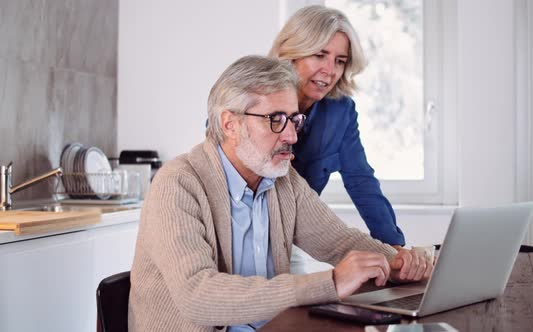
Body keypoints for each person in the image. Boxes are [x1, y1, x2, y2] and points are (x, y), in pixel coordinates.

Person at [128, 55, 433, 332]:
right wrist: (329, 283)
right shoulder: (177, 184)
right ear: (230, 124)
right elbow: (197, 296)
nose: (291, 135)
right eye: (276, 120)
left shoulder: (283, 182)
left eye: (294, 119)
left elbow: (340, 242)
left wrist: (398, 263)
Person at [269, 6, 407, 250]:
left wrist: (394, 249)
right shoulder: (254, 98)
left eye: (340, 61)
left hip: (290, 242)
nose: (330, 70)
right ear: (293, 54)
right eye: (319, 55)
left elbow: (361, 181)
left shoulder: (340, 112)